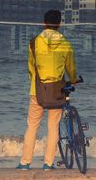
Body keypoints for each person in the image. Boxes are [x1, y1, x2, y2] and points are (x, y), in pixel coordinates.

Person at [16, 10, 77, 170]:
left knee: (32, 125)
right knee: (53, 126)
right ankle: (48, 164)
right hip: (57, 91)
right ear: (59, 24)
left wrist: (36, 83)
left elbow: (31, 68)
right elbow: (70, 68)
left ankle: (25, 163)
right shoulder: (65, 43)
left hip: (37, 90)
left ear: (44, 23)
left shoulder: (33, 42)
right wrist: (74, 79)